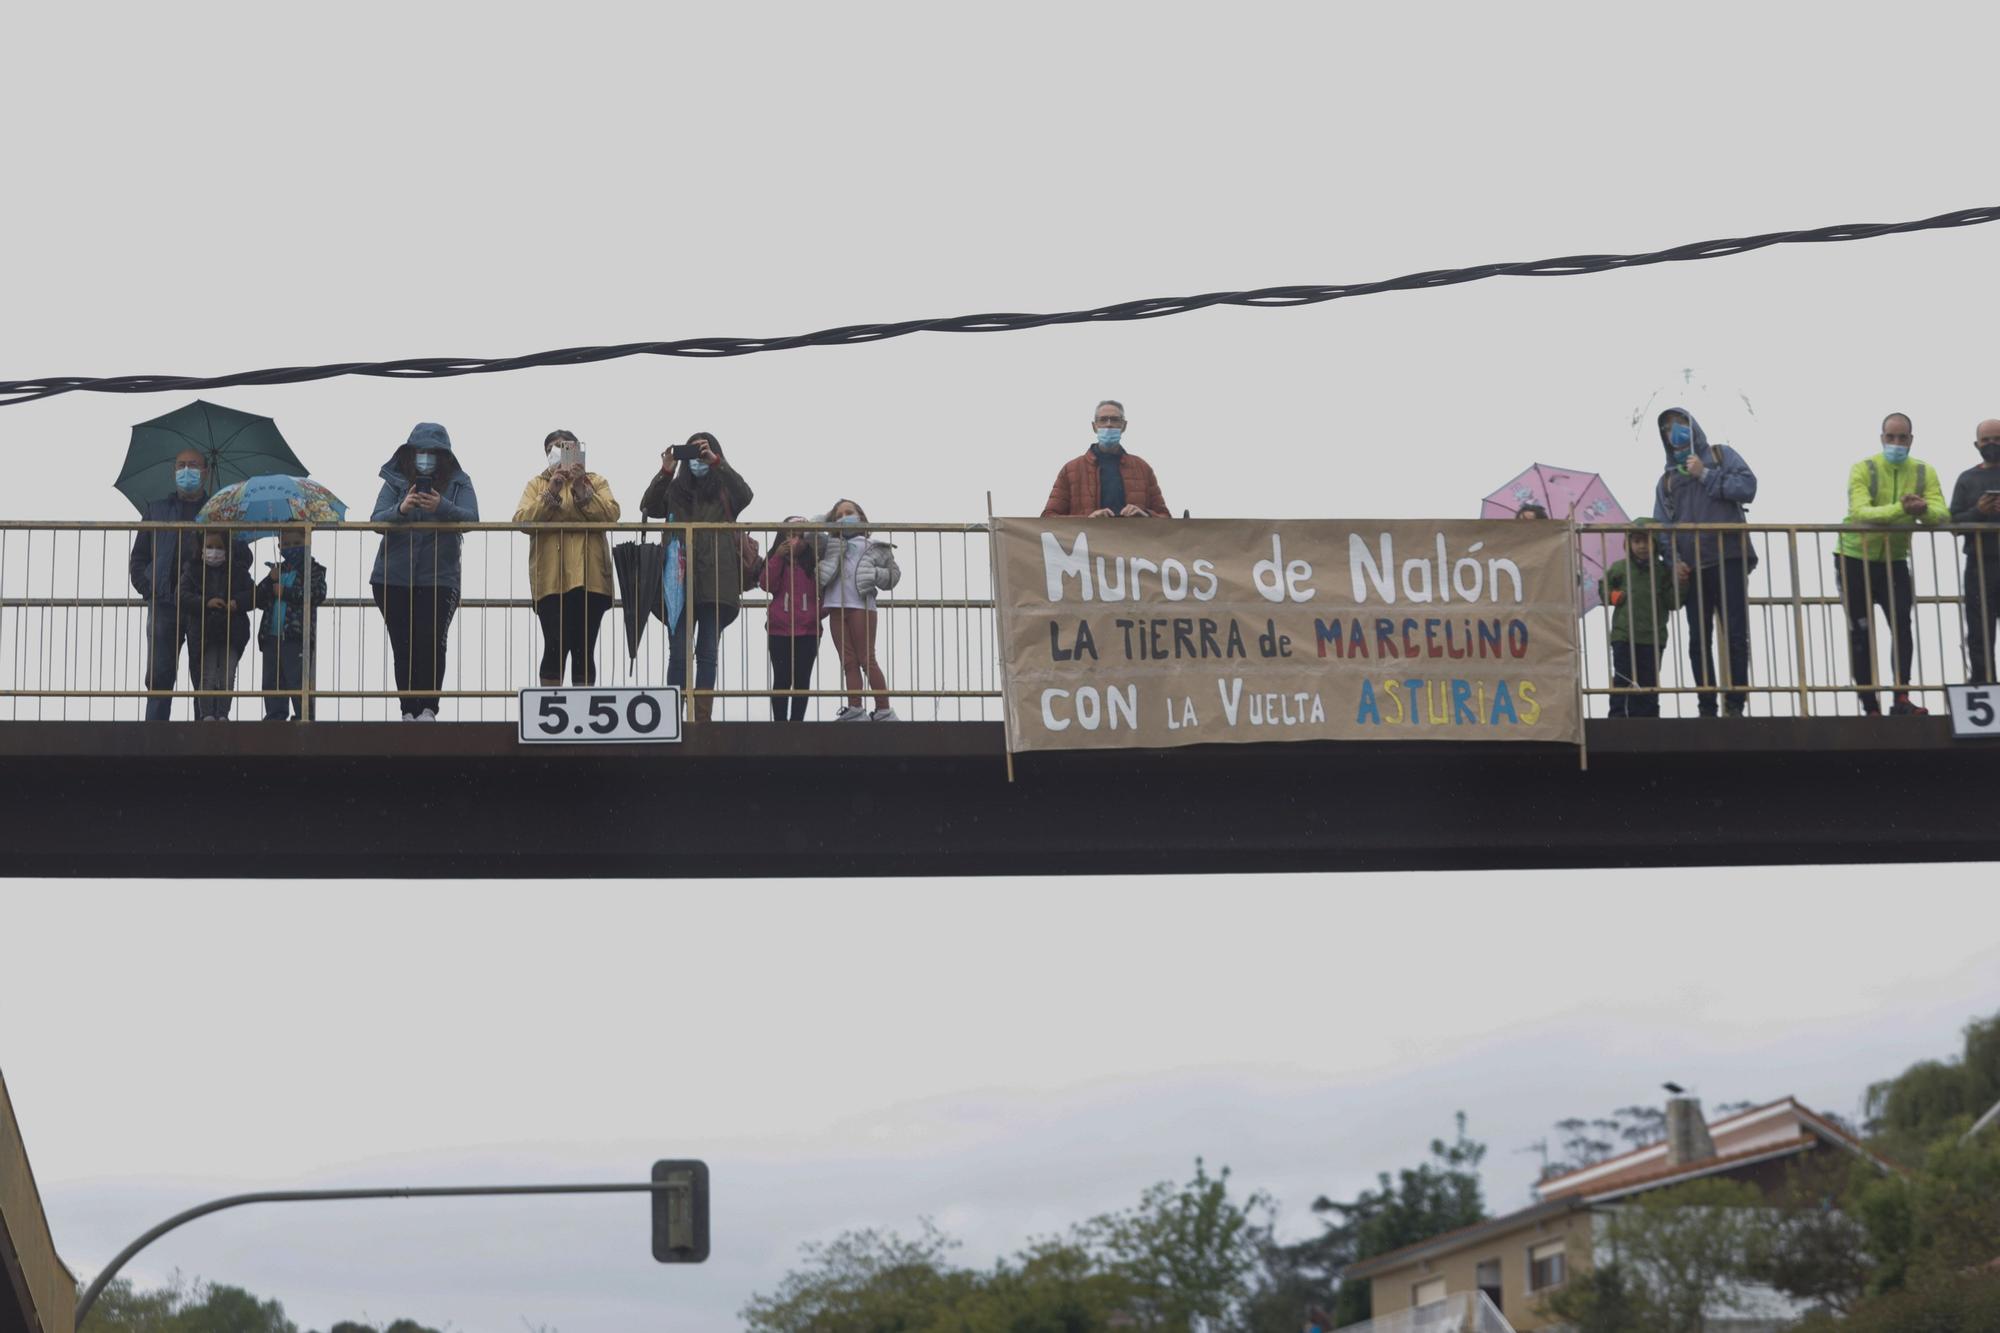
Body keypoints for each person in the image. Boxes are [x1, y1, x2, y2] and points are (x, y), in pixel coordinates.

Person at [640, 432, 755, 723]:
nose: (698, 459)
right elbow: (649, 506)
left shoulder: (726, 490)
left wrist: (717, 463)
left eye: (704, 451)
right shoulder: (675, 490)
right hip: (677, 578)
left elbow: (746, 494)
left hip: (717, 576)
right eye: (693, 453)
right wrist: (665, 471)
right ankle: (671, 717)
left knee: (707, 652)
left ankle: (701, 716)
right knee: (678, 653)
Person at [1652, 406, 1759, 717]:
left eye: (1679, 424)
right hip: (1693, 567)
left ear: (1692, 425)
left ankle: (1736, 702)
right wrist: (1674, 562)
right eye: (1667, 428)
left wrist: (1705, 474)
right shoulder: (1667, 480)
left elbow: (1748, 487)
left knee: (1735, 632)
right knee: (1698, 638)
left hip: (1729, 557)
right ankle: (1706, 703)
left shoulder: (1720, 455)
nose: (1674, 432)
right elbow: (1663, 526)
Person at [1837, 412, 1947, 715]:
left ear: (1911, 440)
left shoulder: (1925, 471)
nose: (1896, 443)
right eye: (1890, 437)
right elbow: (1861, 513)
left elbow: (1941, 513)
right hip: (1852, 557)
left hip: (1894, 559)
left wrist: (1922, 509)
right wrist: (1905, 509)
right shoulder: (1863, 468)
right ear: (1882, 438)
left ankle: (1901, 697)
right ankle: (1869, 704)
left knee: (1902, 624)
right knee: (1860, 630)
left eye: (1902, 438)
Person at [368, 422, 479, 720]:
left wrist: (441, 506)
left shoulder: (459, 482)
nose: (425, 457)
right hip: (392, 577)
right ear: (410, 453)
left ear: (443, 456)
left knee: (430, 641)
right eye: (420, 452)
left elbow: (472, 519)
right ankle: (408, 709)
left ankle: (428, 708)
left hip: (439, 577)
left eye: (432, 453)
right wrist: (401, 509)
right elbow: (376, 521)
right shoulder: (394, 481)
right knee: (402, 643)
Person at [514, 430, 621, 687]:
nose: (559, 453)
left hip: (591, 577)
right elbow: (523, 520)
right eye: (553, 449)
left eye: (566, 447)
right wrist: (552, 491)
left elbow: (611, 515)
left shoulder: (596, 481)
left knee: (584, 648)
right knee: (554, 643)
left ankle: (583, 711)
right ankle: (550, 708)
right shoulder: (537, 484)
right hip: (551, 578)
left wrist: (581, 488)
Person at [129, 446, 210, 719]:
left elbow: (237, 556)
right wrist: (148, 589)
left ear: (205, 472)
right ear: (174, 471)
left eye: (193, 465)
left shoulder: (216, 512)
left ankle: (206, 734)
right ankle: (155, 733)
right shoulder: (156, 510)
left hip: (202, 603)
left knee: (205, 674)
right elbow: (138, 557)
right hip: (164, 601)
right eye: (181, 465)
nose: (187, 471)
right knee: (160, 674)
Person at [816, 499, 901, 721]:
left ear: (861, 517)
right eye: (839, 515)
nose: (844, 517)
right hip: (836, 605)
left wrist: (875, 575)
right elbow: (810, 529)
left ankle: (884, 709)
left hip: (861, 606)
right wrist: (828, 519)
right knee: (848, 660)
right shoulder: (830, 545)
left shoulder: (874, 546)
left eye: (849, 512)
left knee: (866, 658)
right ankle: (855, 708)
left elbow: (894, 575)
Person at [1599, 519, 1683, 718]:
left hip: (1653, 636)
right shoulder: (1620, 567)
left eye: (1646, 541)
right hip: (1624, 634)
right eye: (1636, 541)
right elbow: (1604, 587)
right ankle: (1618, 716)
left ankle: (1647, 718)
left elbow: (1673, 602)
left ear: (1655, 543)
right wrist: (1612, 596)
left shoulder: (1662, 571)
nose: (1642, 546)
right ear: (1628, 544)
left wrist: (1682, 584)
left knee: (1649, 679)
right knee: (1622, 677)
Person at [1042, 399, 1171, 518]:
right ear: (1094, 426)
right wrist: (1088, 519)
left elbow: (1166, 518)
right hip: (1091, 541)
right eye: (1103, 419)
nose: (1109, 424)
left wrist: (1146, 515)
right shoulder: (1071, 469)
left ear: (1124, 426)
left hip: (1132, 542)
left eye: (1115, 420)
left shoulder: (1142, 468)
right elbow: (1048, 517)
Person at [253, 527, 328, 720]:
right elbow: (258, 599)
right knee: (272, 679)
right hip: (271, 635)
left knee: (297, 679)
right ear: (279, 546)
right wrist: (270, 581)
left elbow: (317, 594)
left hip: (296, 636)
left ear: (307, 544)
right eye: (286, 544)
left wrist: (285, 592)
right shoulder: (277, 570)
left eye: (296, 543)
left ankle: (303, 715)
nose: (291, 548)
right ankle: (275, 715)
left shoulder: (314, 570)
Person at [178, 529, 253, 721]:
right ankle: (207, 714)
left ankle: (223, 714)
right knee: (208, 674)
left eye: (219, 547)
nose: (214, 551)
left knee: (227, 675)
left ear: (227, 549)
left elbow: (253, 594)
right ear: (201, 548)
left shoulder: (237, 571)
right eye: (209, 547)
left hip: (232, 631)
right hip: (205, 632)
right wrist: (206, 602)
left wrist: (237, 602)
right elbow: (182, 595)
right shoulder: (192, 570)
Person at [1949, 418, 2000, 684]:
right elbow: (1954, 523)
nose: (1992, 444)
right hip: (1980, 563)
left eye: (1997, 439)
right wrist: (1979, 512)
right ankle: (1983, 680)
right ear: (1976, 444)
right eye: (1986, 440)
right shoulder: (1967, 479)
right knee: (1979, 627)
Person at [760, 517, 823, 721]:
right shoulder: (776, 560)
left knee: (802, 680)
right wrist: (777, 557)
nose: (795, 540)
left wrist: (817, 614)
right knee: (781, 678)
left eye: (800, 535)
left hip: (809, 631)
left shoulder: (815, 564)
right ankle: (780, 724)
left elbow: (827, 591)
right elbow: (766, 584)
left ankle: (797, 724)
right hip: (779, 630)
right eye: (790, 535)